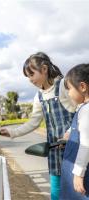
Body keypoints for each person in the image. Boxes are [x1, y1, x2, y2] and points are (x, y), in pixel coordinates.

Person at [0, 52, 77, 200]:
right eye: (28, 77)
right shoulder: (39, 96)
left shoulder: (64, 86)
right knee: (56, 190)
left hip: (74, 146)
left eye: (31, 74)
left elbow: (81, 112)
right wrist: (12, 132)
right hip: (55, 150)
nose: (30, 80)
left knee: (78, 187)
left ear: (44, 69)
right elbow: (33, 122)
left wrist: (71, 131)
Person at [60, 64, 89, 200]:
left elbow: (86, 144)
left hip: (81, 170)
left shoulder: (86, 110)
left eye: (69, 88)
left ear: (82, 87)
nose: (68, 93)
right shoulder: (83, 108)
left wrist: (78, 173)